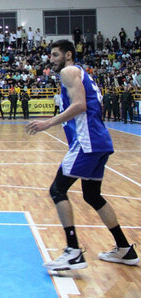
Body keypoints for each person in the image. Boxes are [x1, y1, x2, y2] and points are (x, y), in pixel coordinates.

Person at [26, 40, 139, 270]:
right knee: (92, 195)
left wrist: (48, 123)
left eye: (56, 55)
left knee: (57, 190)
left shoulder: (69, 71)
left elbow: (79, 105)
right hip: (100, 141)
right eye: (51, 55)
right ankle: (125, 249)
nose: (52, 59)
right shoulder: (82, 74)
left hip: (87, 142)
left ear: (68, 55)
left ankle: (73, 251)